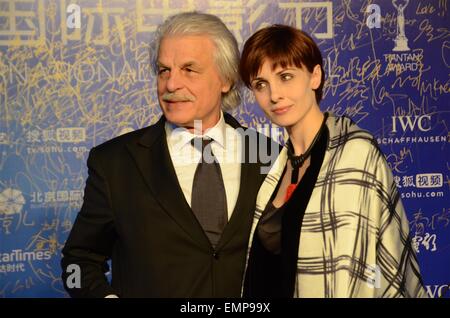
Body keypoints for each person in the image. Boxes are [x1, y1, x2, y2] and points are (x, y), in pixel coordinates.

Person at [61, 12, 276, 298]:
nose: (171, 85)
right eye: (164, 70)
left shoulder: (270, 157)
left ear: (226, 79)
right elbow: (78, 261)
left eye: (189, 69)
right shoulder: (114, 163)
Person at [238, 24, 427, 298]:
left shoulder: (356, 154)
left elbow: (358, 274)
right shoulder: (277, 168)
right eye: (261, 84)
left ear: (315, 76)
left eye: (286, 77)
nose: (274, 95)